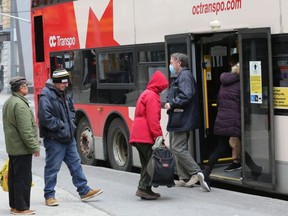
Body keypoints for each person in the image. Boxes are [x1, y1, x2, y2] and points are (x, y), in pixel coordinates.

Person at [38, 68, 103, 206]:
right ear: (56, 83)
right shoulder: (46, 95)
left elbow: (71, 110)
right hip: (55, 139)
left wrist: (71, 125)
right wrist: (62, 126)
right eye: (63, 82)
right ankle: (49, 195)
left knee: (75, 165)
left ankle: (84, 191)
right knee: (52, 168)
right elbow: (45, 118)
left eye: (67, 82)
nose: (66, 85)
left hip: (68, 137)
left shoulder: (64, 93)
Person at [204, 56, 262, 177]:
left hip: (223, 119)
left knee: (221, 148)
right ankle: (206, 173)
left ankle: (207, 172)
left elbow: (219, 101)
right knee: (240, 145)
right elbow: (245, 104)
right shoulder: (241, 84)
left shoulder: (224, 83)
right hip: (235, 120)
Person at [165, 53, 211, 192]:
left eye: (172, 62)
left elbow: (186, 95)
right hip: (179, 118)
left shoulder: (184, 76)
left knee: (178, 147)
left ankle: (197, 172)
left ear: (179, 63)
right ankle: (184, 178)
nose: (170, 66)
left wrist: (172, 104)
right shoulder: (181, 76)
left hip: (182, 118)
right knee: (177, 147)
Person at [3, 76, 40, 215]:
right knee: (23, 179)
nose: (27, 87)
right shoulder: (20, 105)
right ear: (21, 88)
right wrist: (34, 147)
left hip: (13, 147)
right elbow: (26, 131)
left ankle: (14, 206)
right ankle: (21, 208)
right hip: (21, 148)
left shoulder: (9, 102)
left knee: (14, 178)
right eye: (25, 86)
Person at [130, 70, 168, 200]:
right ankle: (143, 189)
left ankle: (146, 189)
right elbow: (153, 121)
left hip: (138, 134)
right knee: (150, 163)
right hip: (145, 135)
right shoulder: (152, 96)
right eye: (162, 87)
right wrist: (159, 138)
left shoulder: (145, 93)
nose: (162, 90)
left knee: (146, 163)